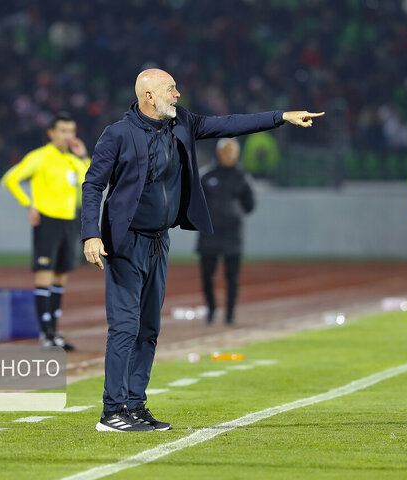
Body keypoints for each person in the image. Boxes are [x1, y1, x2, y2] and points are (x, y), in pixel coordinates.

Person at [82, 68, 323, 432]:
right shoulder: (117, 135)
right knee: (124, 328)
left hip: (159, 241)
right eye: (170, 89)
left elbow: (229, 124)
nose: (178, 94)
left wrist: (281, 117)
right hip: (126, 242)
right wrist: (90, 234)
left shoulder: (183, 124)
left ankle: (135, 405)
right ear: (148, 95)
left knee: (148, 329)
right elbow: (92, 185)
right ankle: (111, 412)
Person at [1, 112, 89, 351]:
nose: (68, 135)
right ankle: (45, 334)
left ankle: (53, 332)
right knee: (44, 275)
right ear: (51, 133)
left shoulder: (73, 160)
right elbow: (10, 179)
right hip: (48, 221)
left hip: (69, 221)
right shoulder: (39, 157)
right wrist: (28, 204)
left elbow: (91, 180)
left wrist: (83, 157)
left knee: (60, 276)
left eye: (71, 131)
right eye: (62, 130)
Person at [197, 138, 254, 325]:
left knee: (232, 277)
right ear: (219, 153)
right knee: (206, 275)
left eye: (232, 152)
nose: (229, 155)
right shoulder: (206, 175)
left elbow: (249, 205)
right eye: (226, 151)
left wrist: (234, 214)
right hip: (209, 233)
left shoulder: (242, 177)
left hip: (232, 234)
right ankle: (211, 309)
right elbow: (197, 202)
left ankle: (230, 314)